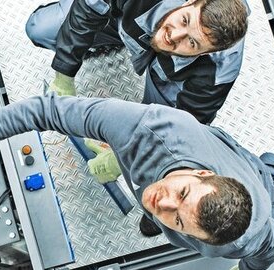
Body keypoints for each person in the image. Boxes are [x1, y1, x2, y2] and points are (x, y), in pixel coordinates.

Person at [0, 94, 274, 270]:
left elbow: (266, 254)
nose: (160, 202)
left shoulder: (244, 238)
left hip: (252, 190)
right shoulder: (145, 127)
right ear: (201, 174)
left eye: (178, 220)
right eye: (181, 194)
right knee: (271, 179)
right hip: (235, 160)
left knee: (271, 180)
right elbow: (46, 109)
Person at [26, 0, 256, 238]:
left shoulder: (219, 69)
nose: (174, 35)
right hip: (125, 20)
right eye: (185, 20)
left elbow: (186, 124)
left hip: (168, 76)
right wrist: (64, 72)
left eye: (192, 42)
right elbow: (89, 5)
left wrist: (121, 158)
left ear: (208, 51)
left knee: (158, 127)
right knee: (39, 28)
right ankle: (113, 38)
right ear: (191, 1)